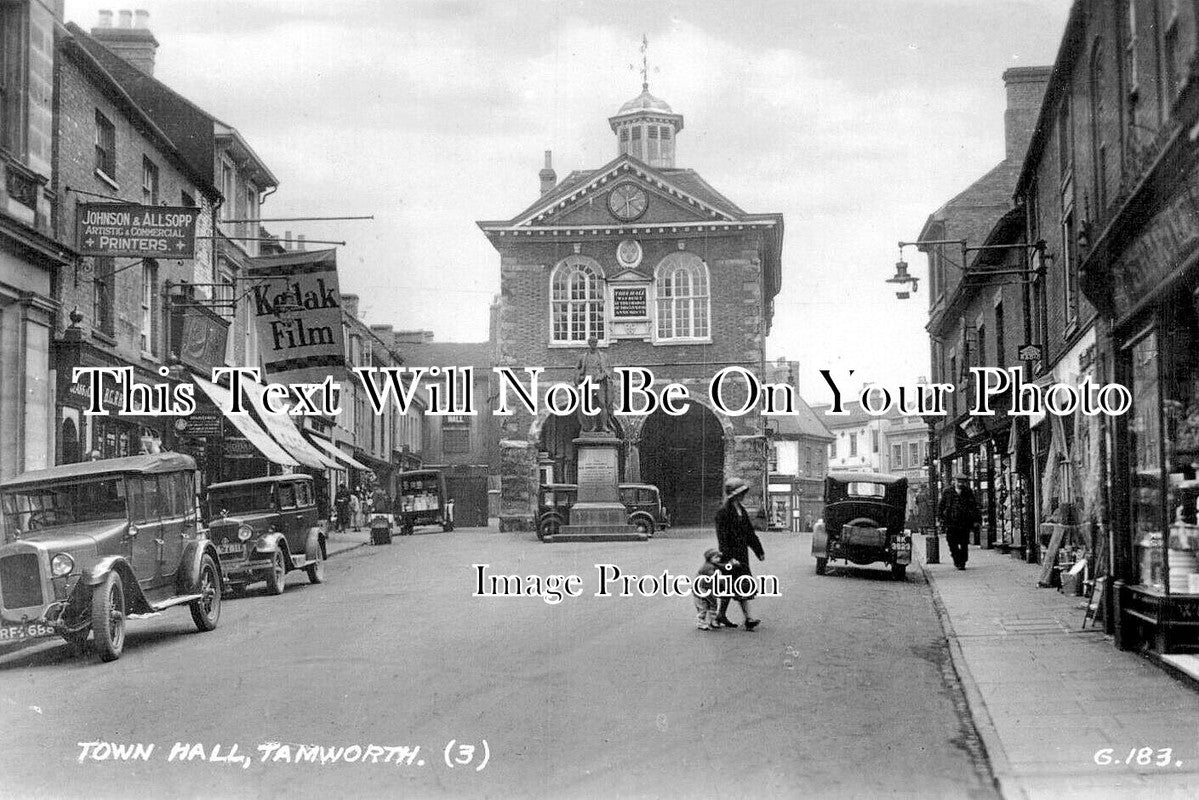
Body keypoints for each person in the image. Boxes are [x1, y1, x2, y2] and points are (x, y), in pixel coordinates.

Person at [714, 477, 765, 630]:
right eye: (741, 492)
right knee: (739, 586)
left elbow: (749, 533)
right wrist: (728, 558)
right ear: (734, 494)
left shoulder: (741, 510)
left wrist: (758, 550)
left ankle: (721, 615)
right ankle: (748, 619)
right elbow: (722, 538)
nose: (743, 495)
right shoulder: (723, 513)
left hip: (742, 555)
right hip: (731, 556)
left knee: (731, 587)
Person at [939, 473, 981, 570]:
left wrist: (976, 520)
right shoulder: (947, 492)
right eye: (959, 481)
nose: (960, 484)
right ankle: (957, 559)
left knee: (964, 543)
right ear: (954, 481)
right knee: (951, 543)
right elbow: (941, 506)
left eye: (962, 482)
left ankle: (962, 562)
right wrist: (941, 518)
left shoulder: (968, 492)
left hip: (964, 522)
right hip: (951, 522)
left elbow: (974, 506)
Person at [575, 335, 613, 434]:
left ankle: (604, 426)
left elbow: (608, 370)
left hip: (599, 382)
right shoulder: (584, 357)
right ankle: (594, 426)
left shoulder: (603, 356)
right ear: (589, 343)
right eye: (591, 342)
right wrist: (579, 377)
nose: (593, 344)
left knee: (602, 403)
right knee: (590, 405)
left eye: (595, 342)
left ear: (597, 343)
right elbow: (577, 370)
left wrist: (602, 375)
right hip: (587, 382)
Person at [693, 548, 723, 631]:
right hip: (702, 589)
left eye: (719, 557)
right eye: (716, 557)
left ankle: (713, 620)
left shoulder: (713, 566)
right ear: (710, 558)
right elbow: (713, 576)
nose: (719, 559)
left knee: (713, 604)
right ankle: (701, 622)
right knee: (703, 606)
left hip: (709, 589)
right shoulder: (707, 567)